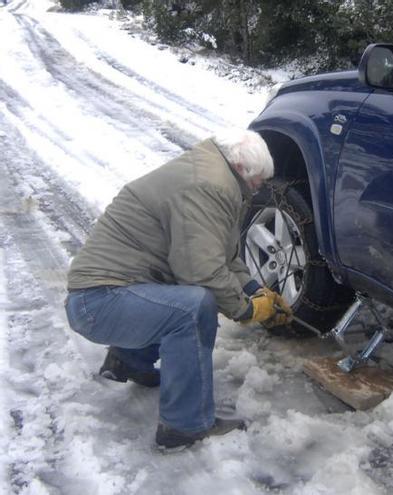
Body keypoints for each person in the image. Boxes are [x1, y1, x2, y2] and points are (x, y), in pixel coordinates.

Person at [64, 129, 292, 450]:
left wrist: (256, 290)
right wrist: (247, 309)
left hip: (111, 294)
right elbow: (200, 271)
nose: (259, 189)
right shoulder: (209, 186)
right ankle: (184, 426)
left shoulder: (212, 174)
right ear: (241, 169)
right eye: (257, 182)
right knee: (194, 308)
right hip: (99, 302)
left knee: (185, 302)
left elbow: (222, 256)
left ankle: (129, 361)